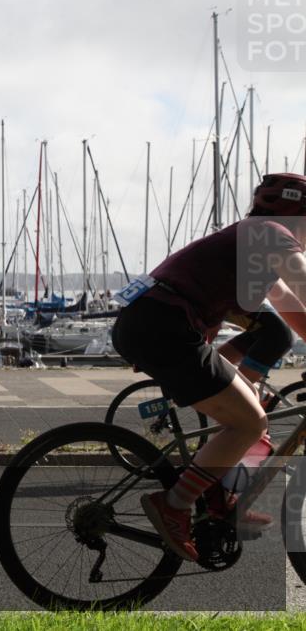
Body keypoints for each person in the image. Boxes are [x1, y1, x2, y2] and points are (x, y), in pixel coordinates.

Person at [111, 173, 306, 561]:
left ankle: (216, 495)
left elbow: (292, 307)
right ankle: (175, 503)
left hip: (155, 325)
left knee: (251, 401)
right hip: (164, 329)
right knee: (249, 422)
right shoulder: (270, 234)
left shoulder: (253, 242)